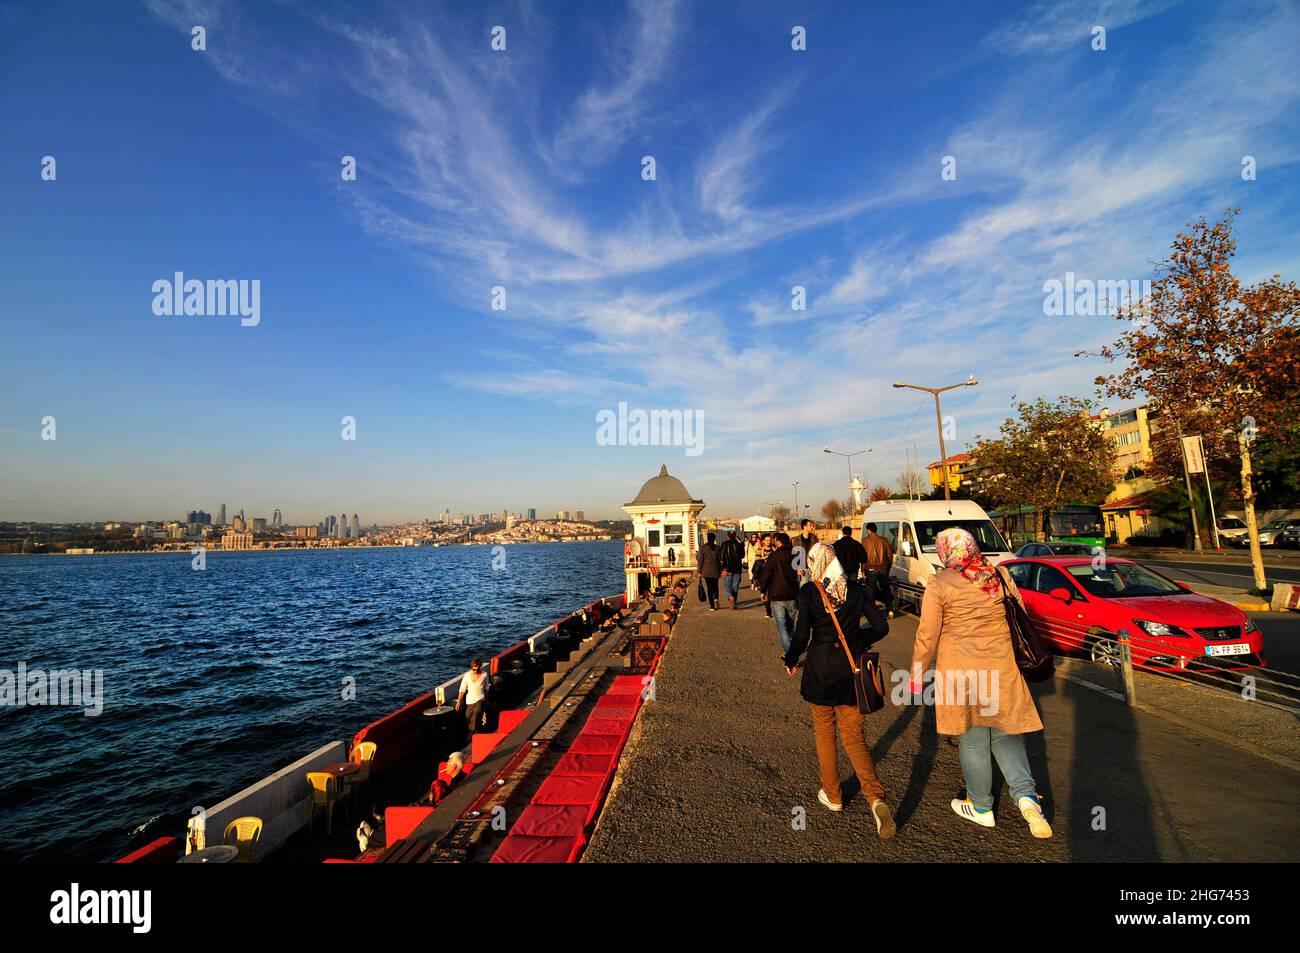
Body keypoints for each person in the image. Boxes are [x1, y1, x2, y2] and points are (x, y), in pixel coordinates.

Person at [910, 527, 1052, 838]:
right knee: (1005, 732)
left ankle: (981, 806)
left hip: (962, 671)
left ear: (946, 551)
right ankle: (1027, 797)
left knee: (974, 738)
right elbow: (1020, 614)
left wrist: (917, 675)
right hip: (1002, 667)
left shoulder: (940, 583)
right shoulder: (998, 575)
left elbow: (927, 635)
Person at [783, 542, 893, 838]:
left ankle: (833, 795)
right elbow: (881, 627)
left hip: (820, 670)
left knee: (824, 733)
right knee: (854, 737)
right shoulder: (855, 589)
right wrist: (857, 642)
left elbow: (801, 634)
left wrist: (790, 659)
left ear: (815, 563)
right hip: (850, 670)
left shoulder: (810, 591)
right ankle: (875, 797)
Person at [760, 532, 800, 652]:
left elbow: (766, 576)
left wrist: (763, 590)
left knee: (782, 628)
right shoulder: (795, 556)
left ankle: (790, 654)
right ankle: (791, 648)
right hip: (792, 595)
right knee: (790, 626)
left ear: (778, 542)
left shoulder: (773, 557)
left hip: (776, 596)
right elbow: (799, 574)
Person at [862, 522, 895, 618]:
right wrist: (888, 568)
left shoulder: (865, 541)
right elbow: (890, 555)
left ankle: (874, 613)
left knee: (871, 592)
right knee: (886, 590)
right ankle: (890, 610)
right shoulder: (884, 540)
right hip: (883, 568)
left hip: (870, 569)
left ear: (868, 530)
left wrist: (863, 571)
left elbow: (863, 558)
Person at [455, 658, 490, 734]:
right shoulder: (467, 676)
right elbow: (462, 689)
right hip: (470, 701)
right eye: (474, 669)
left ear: (480, 667)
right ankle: (476, 730)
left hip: (480, 699)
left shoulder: (484, 675)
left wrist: (487, 700)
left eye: (477, 669)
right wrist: (458, 702)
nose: (476, 671)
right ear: (471, 668)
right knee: (468, 716)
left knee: (477, 713)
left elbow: (486, 688)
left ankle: (471, 732)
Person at [718, 530, 745, 610]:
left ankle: (730, 596)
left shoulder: (724, 544)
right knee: (735, 586)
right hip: (737, 568)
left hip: (727, 568)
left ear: (728, 536)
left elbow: (721, 557)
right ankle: (734, 603)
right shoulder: (739, 544)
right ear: (735, 536)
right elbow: (742, 555)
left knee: (727, 585)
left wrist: (722, 569)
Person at [697, 531, 722, 610]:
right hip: (715, 569)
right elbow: (720, 560)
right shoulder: (718, 548)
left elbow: (700, 560)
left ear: (707, 539)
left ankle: (712, 606)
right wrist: (721, 570)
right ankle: (716, 598)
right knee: (715, 586)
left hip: (706, 570)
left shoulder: (703, 548)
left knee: (709, 588)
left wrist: (699, 571)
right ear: (714, 539)